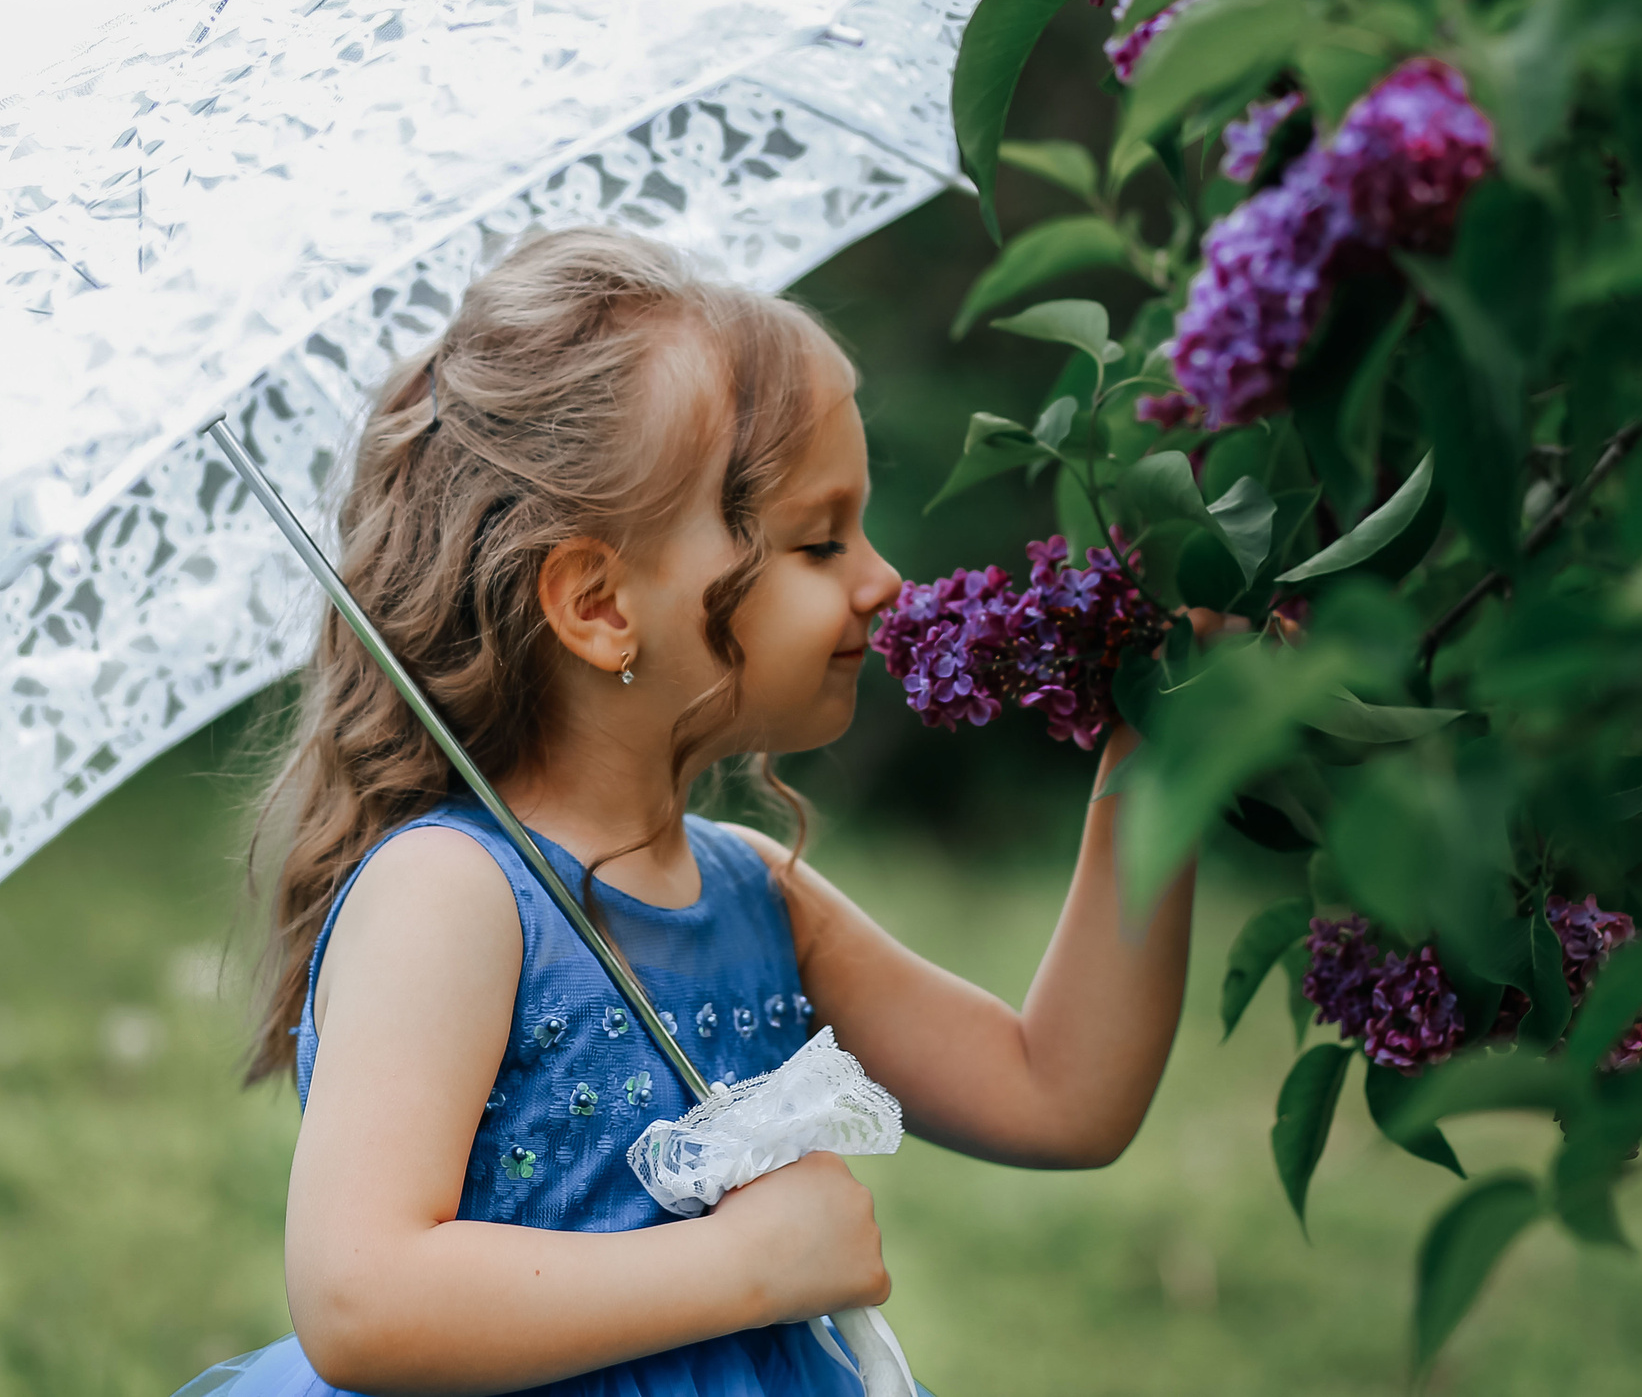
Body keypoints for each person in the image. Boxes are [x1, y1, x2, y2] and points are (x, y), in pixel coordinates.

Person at [177, 229, 1195, 1397]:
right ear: (601, 605)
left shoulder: (754, 892)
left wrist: (1161, 755)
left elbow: (1058, 1092)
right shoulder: (455, 896)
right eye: (819, 541)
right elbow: (362, 1299)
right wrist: (744, 1266)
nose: (886, 584)